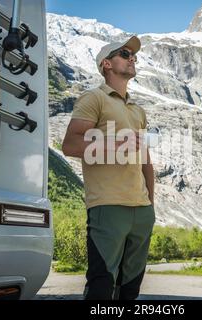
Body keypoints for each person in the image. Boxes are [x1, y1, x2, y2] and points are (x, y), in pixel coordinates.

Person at [61, 35, 155, 300]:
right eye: (124, 54)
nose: (132, 57)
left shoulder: (137, 110)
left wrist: (151, 206)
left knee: (130, 287)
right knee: (102, 284)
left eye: (133, 55)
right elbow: (70, 144)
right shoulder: (94, 98)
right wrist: (116, 144)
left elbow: (145, 159)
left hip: (141, 210)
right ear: (107, 64)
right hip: (107, 206)